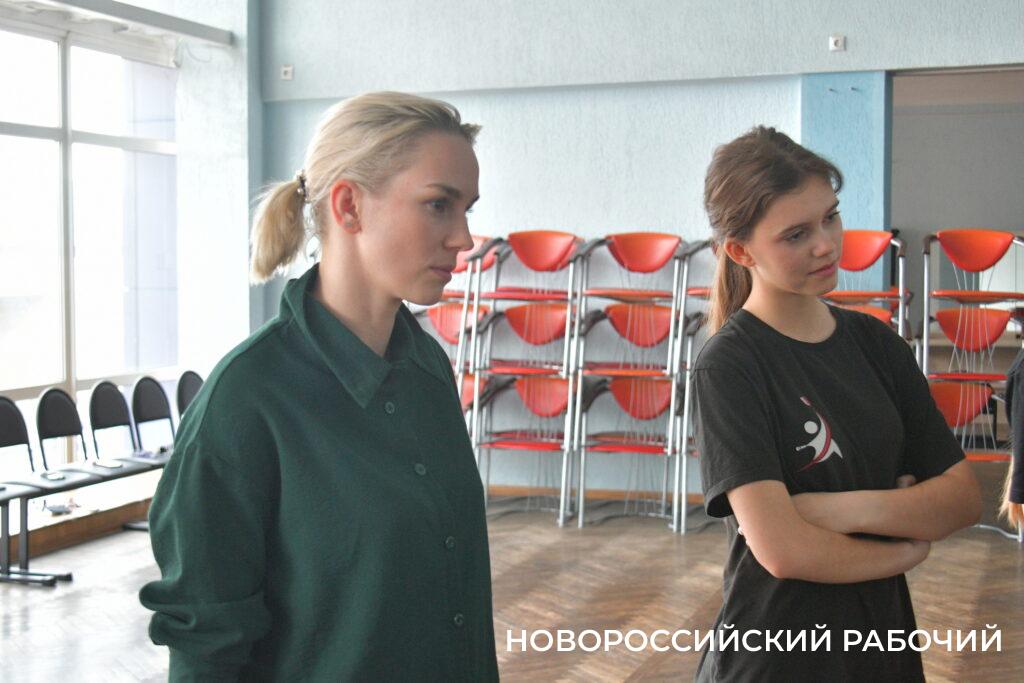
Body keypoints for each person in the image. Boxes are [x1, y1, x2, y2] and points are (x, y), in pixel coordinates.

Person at [139, 92, 499, 681]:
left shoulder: (427, 367)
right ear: (349, 206)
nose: (464, 237)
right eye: (439, 205)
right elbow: (206, 645)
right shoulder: (246, 401)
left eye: (467, 210)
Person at [692, 126, 982, 681]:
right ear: (741, 251)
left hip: (883, 649)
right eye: (796, 234)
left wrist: (836, 510)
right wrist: (905, 547)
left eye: (831, 217)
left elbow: (962, 498)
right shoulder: (730, 365)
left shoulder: (878, 344)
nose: (825, 244)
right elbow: (785, 552)